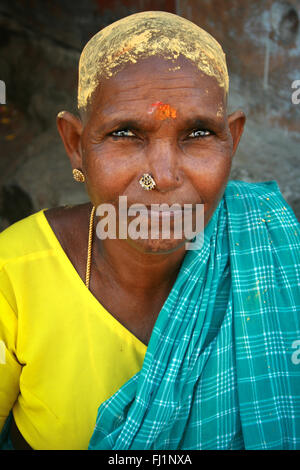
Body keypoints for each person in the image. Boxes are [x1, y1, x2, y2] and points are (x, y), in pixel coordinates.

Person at [0, 11, 299, 450]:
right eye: (125, 133)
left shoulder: (273, 255)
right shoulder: (15, 272)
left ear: (231, 140)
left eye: (197, 133)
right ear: (76, 145)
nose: (161, 176)